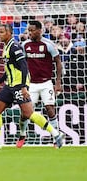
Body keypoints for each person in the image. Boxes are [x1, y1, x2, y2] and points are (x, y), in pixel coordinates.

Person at [0, 24, 64, 149]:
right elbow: (10, 68)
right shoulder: (6, 47)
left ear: (9, 33)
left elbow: (24, 66)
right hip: (9, 86)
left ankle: (56, 134)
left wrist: (23, 86)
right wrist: (0, 82)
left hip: (18, 86)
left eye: (2, 32)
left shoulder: (15, 47)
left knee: (29, 113)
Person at [16, 20, 63, 148]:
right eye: (28, 31)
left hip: (46, 83)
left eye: (32, 30)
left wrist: (58, 82)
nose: (29, 33)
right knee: (25, 113)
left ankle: (56, 138)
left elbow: (58, 62)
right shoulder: (25, 45)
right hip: (31, 84)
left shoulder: (48, 44)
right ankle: (22, 134)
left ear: (39, 30)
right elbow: (21, 63)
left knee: (50, 109)